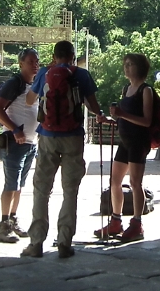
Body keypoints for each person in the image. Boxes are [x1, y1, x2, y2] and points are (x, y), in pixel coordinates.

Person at [23, 40, 103, 258]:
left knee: (41, 190)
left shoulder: (45, 73)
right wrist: (100, 114)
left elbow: (30, 100)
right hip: (73, 138)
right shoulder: (81, 74)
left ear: (54, 55)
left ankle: (36, 243)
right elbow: (92, 104)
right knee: (70, 191)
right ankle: (64, 243)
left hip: (48, 137)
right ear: (73, 55)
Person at [97, 53, 154, 243]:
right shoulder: (126, 89)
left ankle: (137, 224)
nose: (127, 68)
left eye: (131, 64)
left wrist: (121, 114)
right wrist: (109, 120)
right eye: (126, 64)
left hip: (138, 141)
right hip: (125, 141)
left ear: (140, 68)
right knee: (115, 181)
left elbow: (146, 121)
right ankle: (116, 220)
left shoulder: (145, 91)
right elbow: (123, 119)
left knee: (135, 183)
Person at [0, 47, 40, 243]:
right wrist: (14, 129)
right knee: (11, 184)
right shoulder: (14, 83)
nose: (35, 64)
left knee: (19, 185)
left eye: (36, 61)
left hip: (30, 143)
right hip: (14, 142)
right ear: (20, 64)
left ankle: (13, 219)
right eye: (30, 61)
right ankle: (4, 226)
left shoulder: (35, 84)